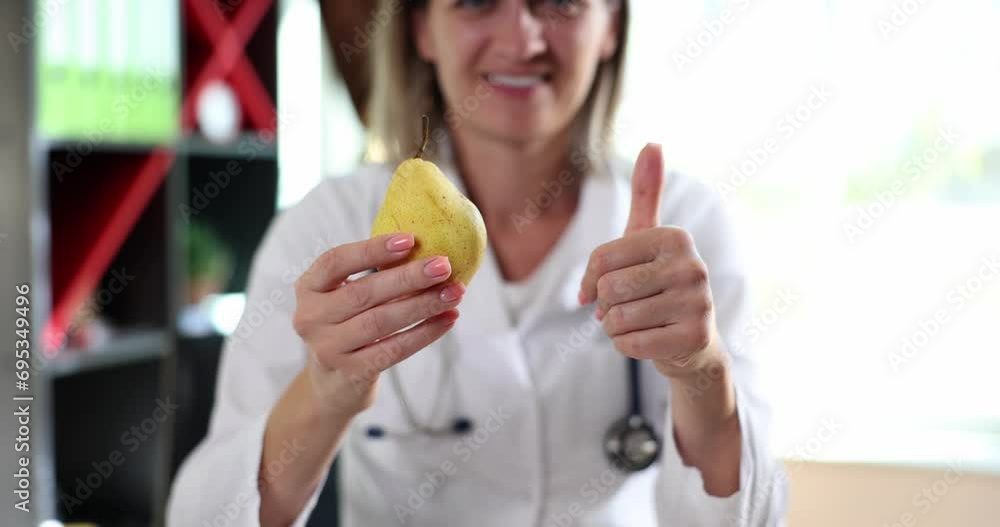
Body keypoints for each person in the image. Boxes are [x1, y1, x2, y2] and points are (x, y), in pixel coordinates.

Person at [167, 0, 787, 525]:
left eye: (561, 0)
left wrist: (699, 371)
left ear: (612, 27)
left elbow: (754, 514)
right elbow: (201, 515)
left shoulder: (690, 226)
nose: (521, 38)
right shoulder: (329, 226)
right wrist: (326, 393)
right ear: (420, 29)